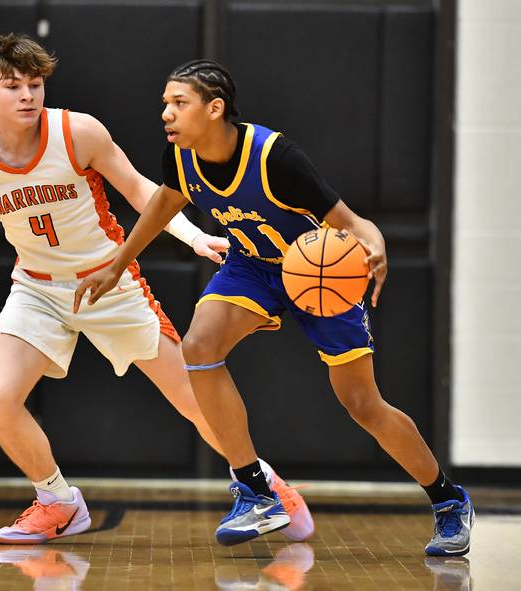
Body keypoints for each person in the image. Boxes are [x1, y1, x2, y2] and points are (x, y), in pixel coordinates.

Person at [0, 37, 312, 545]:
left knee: (193, 401)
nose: (27, 96)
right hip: (37, 290)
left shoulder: (77, 131)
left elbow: (139, 189)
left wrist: (195, 237)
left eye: (35, 85)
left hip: (109, 282)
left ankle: (264, 484)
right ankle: (57, 502)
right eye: (12, 86)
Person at [75, 59, 475, 554]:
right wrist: (117, 263)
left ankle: (448, 501)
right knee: (198, 345)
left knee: (362, 404)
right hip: (254, 267)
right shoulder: (179, 158)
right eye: (165, 104)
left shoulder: (276, 158)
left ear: (215, 107)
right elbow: (161, 205)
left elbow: (352, 221)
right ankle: (256, 491)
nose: (166, 113)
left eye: (179, 103)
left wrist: (375, 245)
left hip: (316, 270)